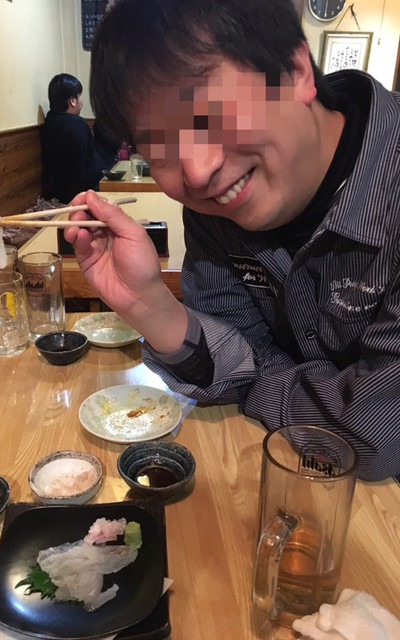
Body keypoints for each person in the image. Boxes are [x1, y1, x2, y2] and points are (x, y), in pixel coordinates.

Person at [64, 0, 400, 482]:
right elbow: (232, 363)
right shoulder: (215, 212)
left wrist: (254, 380)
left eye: (210, 114)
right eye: (160, 148)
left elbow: (374, 435)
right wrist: (149, 305)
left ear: (295, 69)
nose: (198, 172)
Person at [41, 73, 105, 203]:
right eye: (80, 95)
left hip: (62, 188)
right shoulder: (76, 124)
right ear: (72, 101)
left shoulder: (51, 119)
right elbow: (77, 168)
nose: (81, 100)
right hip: (86, 190)